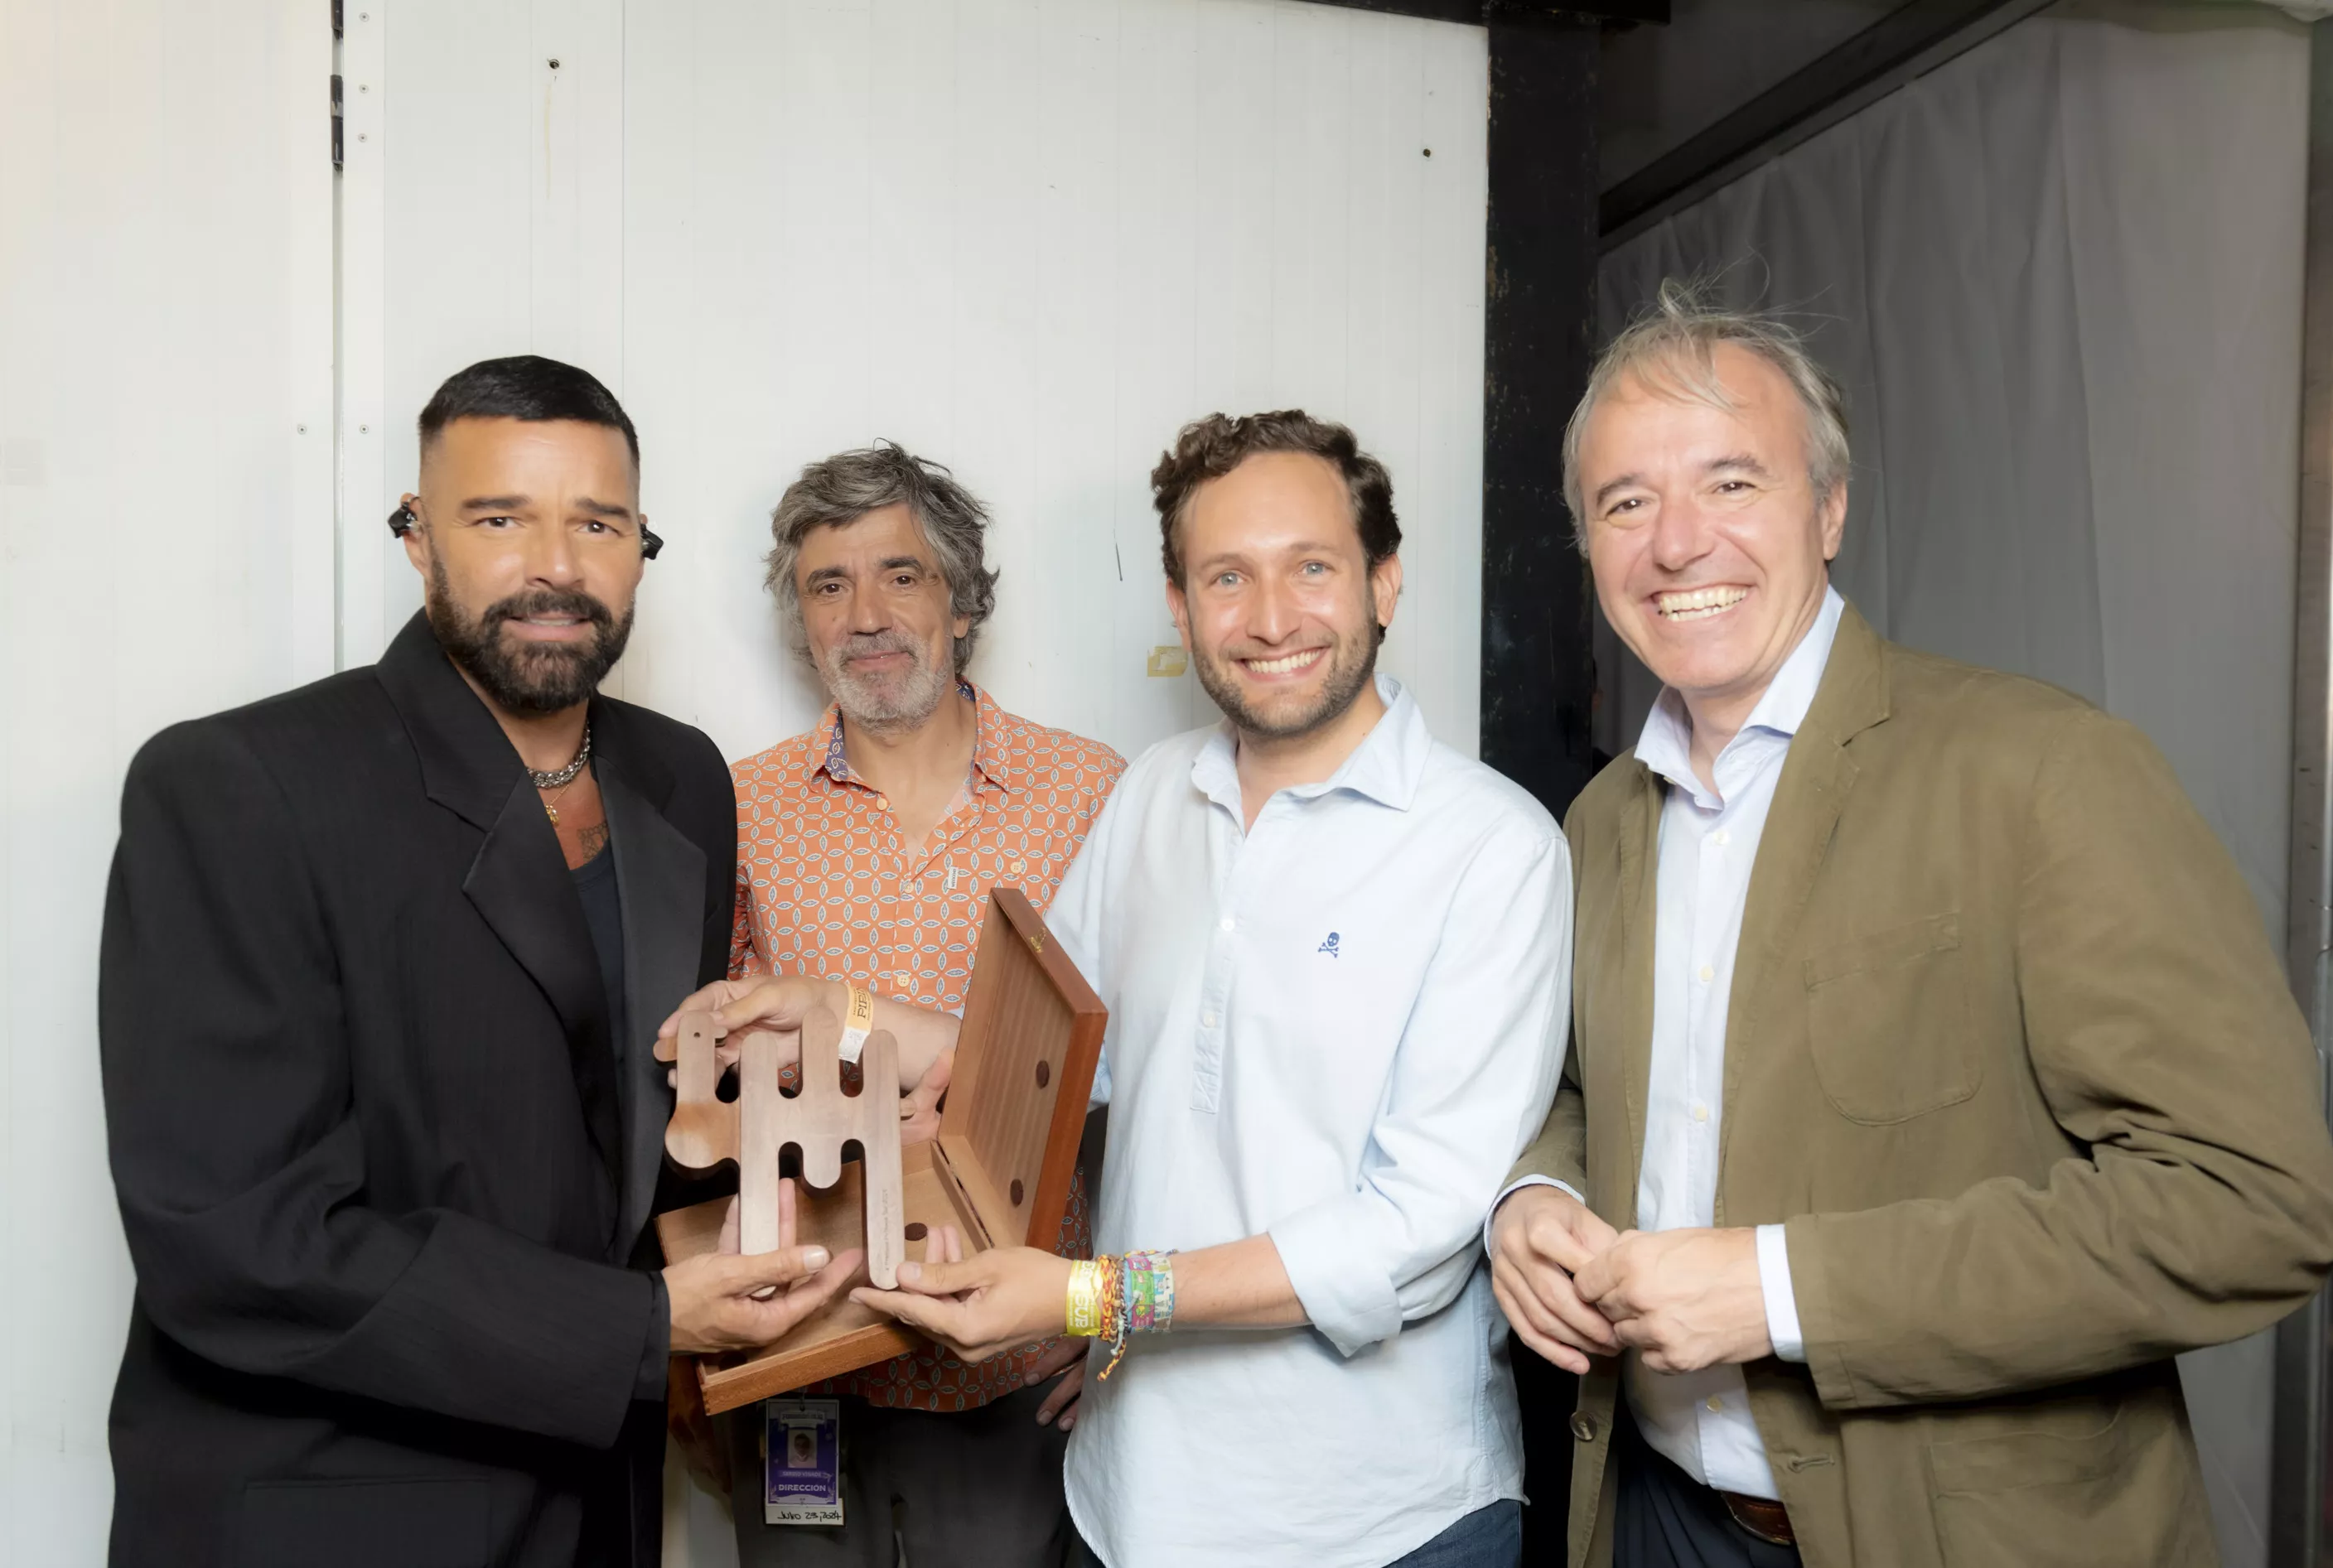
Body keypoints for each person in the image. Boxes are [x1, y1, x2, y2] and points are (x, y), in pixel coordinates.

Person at [1486, 287, 2333, 1567]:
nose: (1674, 545)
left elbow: (2249, 1205)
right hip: (1653, 1517)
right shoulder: (1599, 821)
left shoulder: (2039, 771)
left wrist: (1776, 1293)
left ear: (1830, 511)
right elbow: (1577, 1083)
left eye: (1730, 484)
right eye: (1624, 504)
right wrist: (1532, 1195)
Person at [770, 409, 1575, 1567]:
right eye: (1224, 577)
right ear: (1178, 604)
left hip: (1377, 1523)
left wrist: (1085, 1300)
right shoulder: (1154, 792)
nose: (1269, 618)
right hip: (1125, 1503)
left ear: (1384, 582)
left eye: (1311, 568)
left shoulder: (1492, 848)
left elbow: (1409, 1235)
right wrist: (830, 1016)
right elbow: (1040, 1055)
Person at [98, 356, 861, 1568]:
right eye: (499, 517)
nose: (555, 564)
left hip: (597, 1503)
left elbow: (631, 1131)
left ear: (638, 547)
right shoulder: (235, 786)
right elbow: (235, 1241)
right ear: (416, 537)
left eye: (597, 522)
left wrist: (836, 1141)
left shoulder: (681, 777)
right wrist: (639, 1328)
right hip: (334, 1514)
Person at [707, 442, 1123, 1566]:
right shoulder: (734, 808)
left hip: (1017, 1366)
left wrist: (1122, 1327)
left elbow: (1152, 1082)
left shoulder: (1093, 795)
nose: (865, 615)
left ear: (962, 599)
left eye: (900, 575)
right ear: (801, 621)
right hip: (804, 1338)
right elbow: (705, 1064)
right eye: (827, 586)